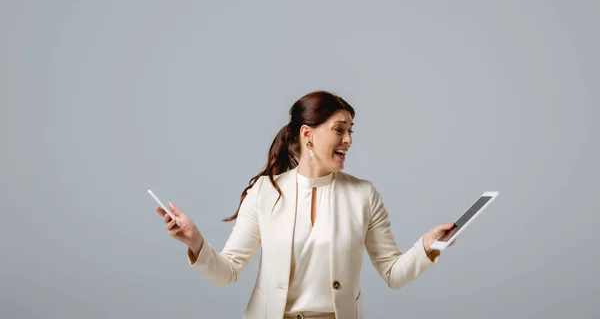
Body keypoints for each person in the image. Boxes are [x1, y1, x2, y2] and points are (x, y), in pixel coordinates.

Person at [155, 90, 455, 319]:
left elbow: (393, 274)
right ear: (307, 135)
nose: (348, 139)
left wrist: (428, 247)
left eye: (351, 130)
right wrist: (195, 243)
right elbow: (228, 272)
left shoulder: (363, 195)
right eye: (339, 129)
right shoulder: (265, 191)